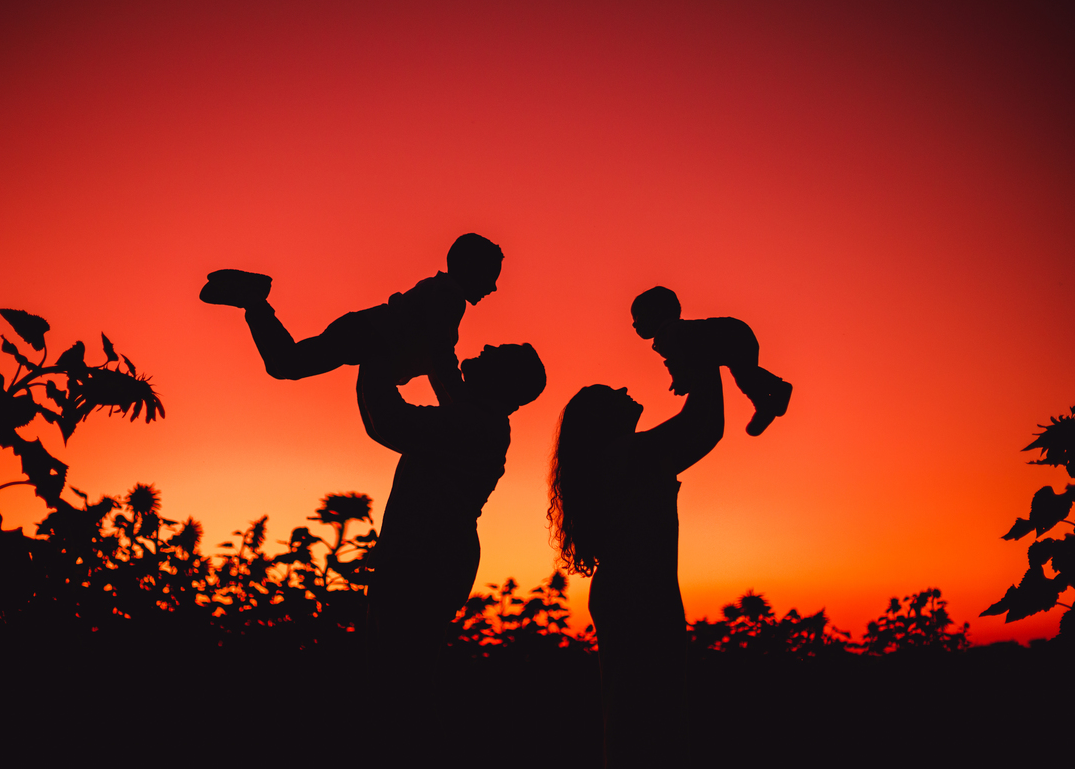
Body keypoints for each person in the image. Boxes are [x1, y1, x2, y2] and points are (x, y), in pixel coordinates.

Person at [359, 342, 546, 765]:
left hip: (420, 565)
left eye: (496, 354)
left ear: (500, 381)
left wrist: (374, 354)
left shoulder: (473, 425)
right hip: (430, 562)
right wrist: (437, 348)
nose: (487, 345)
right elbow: (450, 385)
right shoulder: (479, 419)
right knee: (403, 691)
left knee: (400, 694)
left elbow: (388, 421)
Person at [548, 361, 725, 767]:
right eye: (612, 395)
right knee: (647, 717)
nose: (625, 390)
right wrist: (705, 356)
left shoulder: (622, 459)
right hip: (639, 592)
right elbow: (701, 424)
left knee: (636, 711)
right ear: (601, 421)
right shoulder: (630, 454)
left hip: (634, 589)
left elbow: (704, 427)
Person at [199, 233, 503, 405]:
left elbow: (436, 364)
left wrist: (452, 403)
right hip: (363, 333)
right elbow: (441, 356)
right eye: (491, 276)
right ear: (470, 268)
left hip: (361, 330)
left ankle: (253, 301)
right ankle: (253, 299)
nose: (493, 287)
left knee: (284, 366)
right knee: (288, 365)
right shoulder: (448, 297)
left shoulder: (443, 294)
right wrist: (462, 403)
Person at [631, 285, 792, 435]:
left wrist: (681, 381)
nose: (634, 325)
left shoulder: (668, 334)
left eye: (637, 318)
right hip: (735, 331)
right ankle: (765, 402)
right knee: (745, 374)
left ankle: (774, 391)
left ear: (655, 313)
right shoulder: (673, 331)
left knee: (744, 375)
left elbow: (679, 358)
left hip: (732, 335)